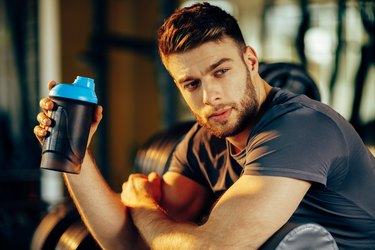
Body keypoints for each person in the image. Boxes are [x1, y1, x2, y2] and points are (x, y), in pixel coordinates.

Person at [34, 2, 375, 249]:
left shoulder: (300, 128)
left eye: (220, 71)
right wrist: (73, 154)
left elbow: (213, 248)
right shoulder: (206, 138)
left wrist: (142, 206)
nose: (210, 96)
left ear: (250, 61)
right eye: (191, 84)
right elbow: (126, 241)